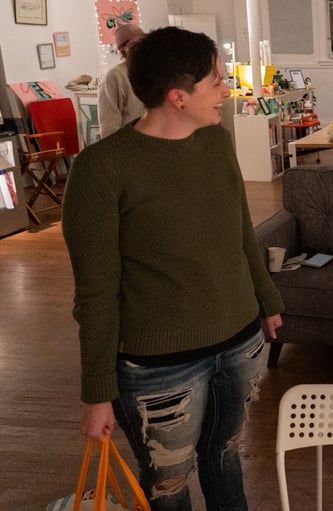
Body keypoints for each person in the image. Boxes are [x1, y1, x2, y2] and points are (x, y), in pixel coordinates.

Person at [62, 26, 284, 511]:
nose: (227, 91)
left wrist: (267, 299)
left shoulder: (216, 142)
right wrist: (97, 391)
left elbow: (240, 230)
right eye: (216, 81)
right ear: (178, 96)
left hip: (240, 341)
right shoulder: (101, 170)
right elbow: (95, 294)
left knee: (225, 455)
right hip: (158, 366)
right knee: (169, 483)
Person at [97, 23, 146, 138]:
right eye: (135, 44)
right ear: (123, 48)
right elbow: (109, 125)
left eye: (143, 41)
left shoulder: (155, 71)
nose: (141, 47)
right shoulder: (115, 76)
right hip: (130, 142)